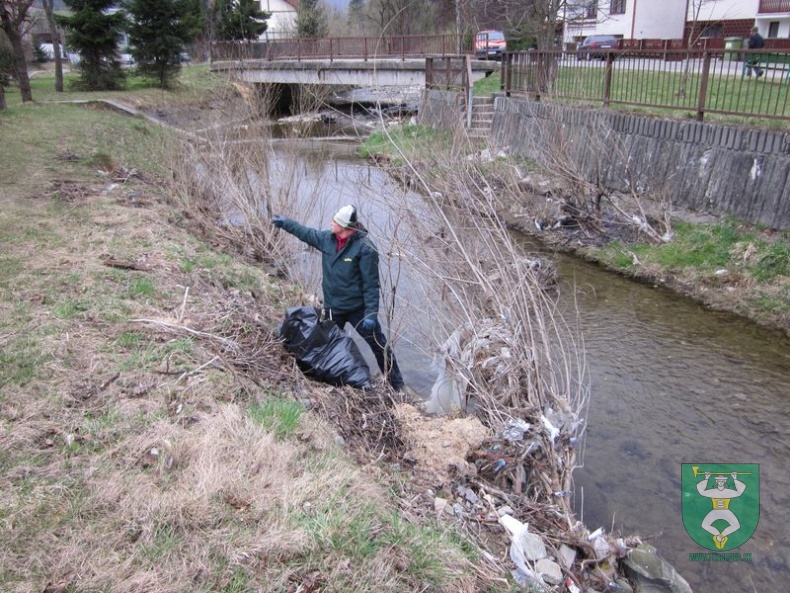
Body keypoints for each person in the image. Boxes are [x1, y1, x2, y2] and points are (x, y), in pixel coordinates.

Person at [272, 205, 405, 391]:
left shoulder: (365, 249)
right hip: (333, 308)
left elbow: (371, 285)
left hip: (358, 310)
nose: (331, 223)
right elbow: (306, 233)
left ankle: (397, 386)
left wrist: (371, 315)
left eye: (335, 222)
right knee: (323, 345)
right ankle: (326, 379)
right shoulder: (327, 239)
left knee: (379, 347)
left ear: (344, 227)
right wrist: (286, 224)